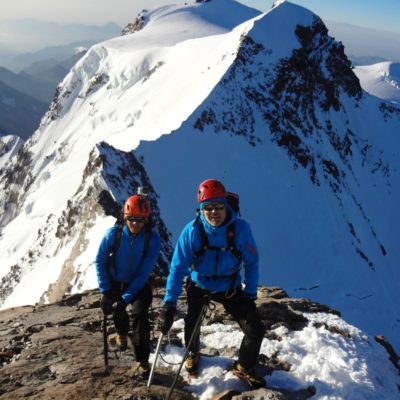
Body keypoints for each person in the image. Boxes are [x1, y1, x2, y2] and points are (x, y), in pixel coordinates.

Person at [159, 179, 266, 388]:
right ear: (201, 209)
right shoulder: (192, 231)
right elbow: (177, 268)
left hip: (229, 287)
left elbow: (251, 262)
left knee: (255, 329)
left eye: (218, 206)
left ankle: (244, 366)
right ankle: (192, 352)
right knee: (192, 323)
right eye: (208, 207)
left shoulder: (241, 229)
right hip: (199, 284)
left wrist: (250, 294)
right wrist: (168, 304)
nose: (214, 212)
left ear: (226, 205)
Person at [95, 194, 161, 378]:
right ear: (124, 217)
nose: (135, 224)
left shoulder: (152, 240)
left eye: (140, 220)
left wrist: (125, 298)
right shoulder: (113, 235)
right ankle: (121, 333)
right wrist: (105, 290)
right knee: (118, 312)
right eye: (131, 219)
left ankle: (142, 360)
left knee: (140, 316)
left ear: (146, 220)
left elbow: (143, 273)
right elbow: (100, 261)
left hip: (139, 284)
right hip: (115, 281)